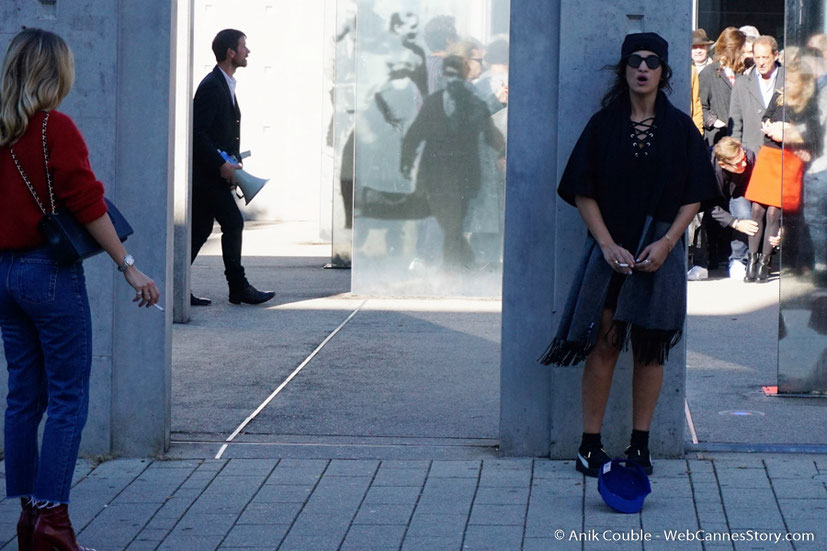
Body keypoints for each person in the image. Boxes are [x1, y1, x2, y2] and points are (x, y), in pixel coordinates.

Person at [0, 28, 160, 551]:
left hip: (3, 275)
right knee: (68, 397)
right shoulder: (53, 128)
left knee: (24, 396)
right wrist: (128, 266)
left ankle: (28, 518)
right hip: (48, 274)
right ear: (56, 72)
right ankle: (53, 520)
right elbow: (87, 203)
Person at [539, 33, 718, 477]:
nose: (642, 68)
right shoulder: (603, 126)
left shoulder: (680, 128)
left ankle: (640, 446)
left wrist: (668, 243)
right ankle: (589, 446)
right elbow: (582, 190)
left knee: (651, 348)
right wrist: (604, 244)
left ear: (664, 72)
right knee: (604, 342)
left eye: (652, 62)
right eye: (634, 60)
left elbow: (695, 194)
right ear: (624, 68)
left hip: (659, 249)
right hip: (612, 246)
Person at [190, 29, 274, 306]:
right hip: (207, 174)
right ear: (231, 52)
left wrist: (230, 162)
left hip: (212, 173)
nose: (247, 52)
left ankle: (171, 284)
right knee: (234, 222)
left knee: (201, 229)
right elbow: (198, 133)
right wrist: (221, 164)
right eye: (243, 47)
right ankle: (238, 287)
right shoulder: (212, 86)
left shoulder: (223, 84)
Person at [746, 61, 819, 282]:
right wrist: (771, 127)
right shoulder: (779, 96)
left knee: (773, 212)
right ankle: (752, 260)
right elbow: (765, 118)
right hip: (769, 155)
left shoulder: (809, 104)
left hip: (788, 158)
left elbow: (810, 131)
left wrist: (786, 131)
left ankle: (765, 263)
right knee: (757, 209)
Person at [710, 137, 759, 279]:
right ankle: (706, 260)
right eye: (738, 163)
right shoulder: (710, 165)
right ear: (723, 165)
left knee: (744, 214)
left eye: (742, 157)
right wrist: (734, 223)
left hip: (739, 192)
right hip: (714, 196)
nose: (744, 163)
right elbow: (709, 204)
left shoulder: (749, 156)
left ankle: (738, 260)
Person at [730, 35, 783, 155]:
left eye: (765, 57)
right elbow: (735, 124)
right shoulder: (742, 83)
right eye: (757, 57)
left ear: (775, 56)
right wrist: (735, 153)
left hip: (782, 154)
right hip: (752, 153)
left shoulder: (789, 79)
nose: (761, 63)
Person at [699, 27, 747, 147]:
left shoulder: (742, 72)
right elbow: (700, 106)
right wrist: (714, 121)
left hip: (740, 138)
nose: (744, 54)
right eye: (741, 50)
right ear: (733, 50)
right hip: (719, 141)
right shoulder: (709, 72)